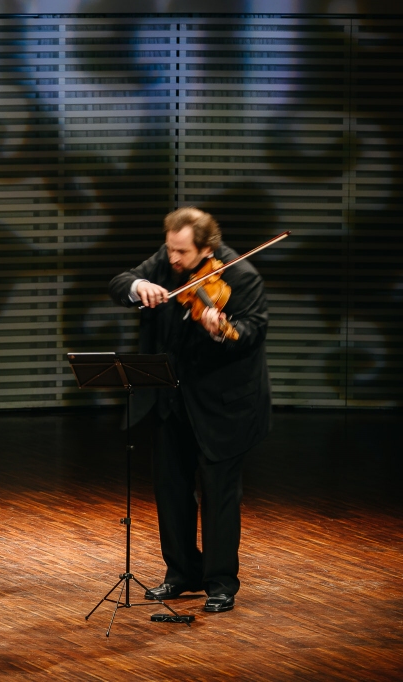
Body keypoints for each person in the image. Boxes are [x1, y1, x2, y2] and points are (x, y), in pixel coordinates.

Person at [108, 207, 271, 613]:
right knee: (172, 492)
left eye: (181, 252)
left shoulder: (241, 277)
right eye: (170, 250)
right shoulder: (165, 261)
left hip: (223, 408)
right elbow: (120, 282)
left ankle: (220, 583)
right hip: (170, 400)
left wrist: (221, 331)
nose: (173, 260)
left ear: (207, 247)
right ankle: (182, 574)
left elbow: (251, 331)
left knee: (218, 497)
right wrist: (140, 285)